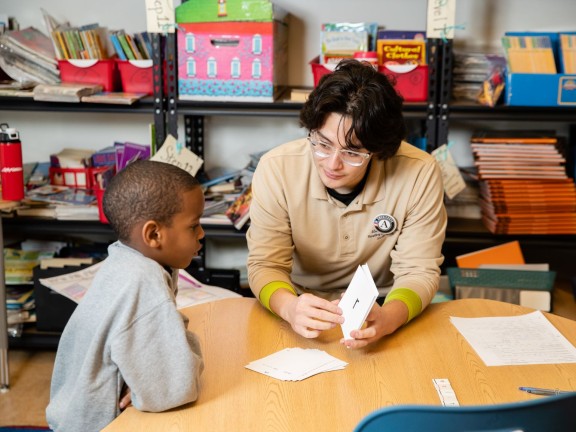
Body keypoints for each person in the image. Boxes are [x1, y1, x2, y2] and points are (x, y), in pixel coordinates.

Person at [246, 59, 447, 349]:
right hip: (301, 301)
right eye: (322, 144)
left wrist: (389, 317)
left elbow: (419, 270)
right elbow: (266, 263)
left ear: (379, 150)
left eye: (353, 152)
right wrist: (290, 307)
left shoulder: (419, 171)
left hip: (383, 303)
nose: (332, 164)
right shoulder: (276, 168)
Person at [46, 160, 205, 432]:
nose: (201, 234)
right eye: (193, 226)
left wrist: (149, 381)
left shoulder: (125, 258)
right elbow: (177, 388)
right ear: (154, 234)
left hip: (70, 416)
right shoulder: (145, 282)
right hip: (104, 426)